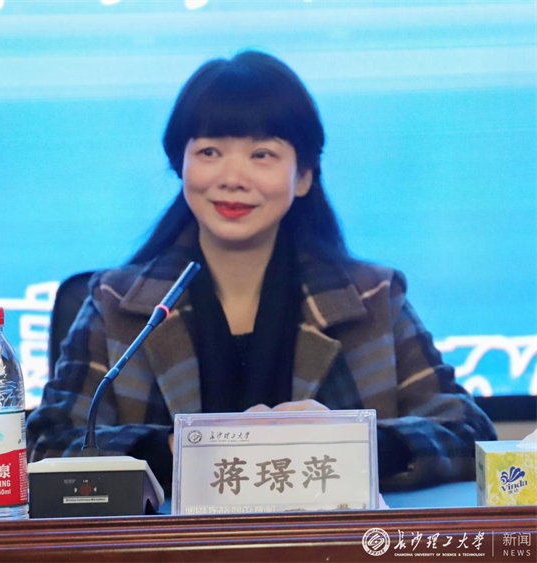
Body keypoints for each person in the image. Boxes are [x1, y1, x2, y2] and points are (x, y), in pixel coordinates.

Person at [26, 51, 496, 495]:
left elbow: (469, 434)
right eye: (210, 152)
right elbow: (47, 444)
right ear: (180, 165)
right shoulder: (117, 303)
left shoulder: (372, 298)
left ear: (304, 175)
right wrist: (173, 450)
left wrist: (352, 444)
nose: (233, 177)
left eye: (262, 155)